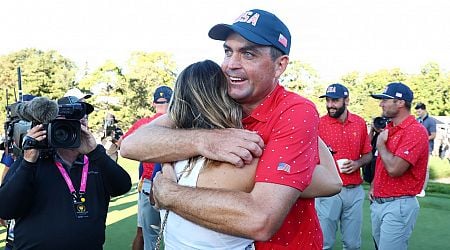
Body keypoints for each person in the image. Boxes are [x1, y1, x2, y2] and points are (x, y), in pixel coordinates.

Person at [121, 9, 342, 249]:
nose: (230, 65)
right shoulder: (216, 99)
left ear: (280, 66)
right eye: (228, 52)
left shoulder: (294, 110)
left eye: (248, 54)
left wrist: (170, 194)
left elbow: (262, 219)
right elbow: (131, 145)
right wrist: (204, 141)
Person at [0, 96, 132, 250]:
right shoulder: (34, 158)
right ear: (50, 124)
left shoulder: (96, 159)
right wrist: (28, 161)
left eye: (81, 120)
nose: (73, 126)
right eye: (65, 121)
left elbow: (122, 186)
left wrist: (95, 152)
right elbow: (5, 209)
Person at [369, 82, 428, 250]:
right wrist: (374, 185)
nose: (381, 104)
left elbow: (395, 169)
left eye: (385, 100)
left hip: (398, 204)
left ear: (400, 103)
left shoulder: (415, 131)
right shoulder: (390, 128)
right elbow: (379, 163)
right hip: (381, 201)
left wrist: (381, 145)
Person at [316, 83, 372, 250]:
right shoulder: (319, 123)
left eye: (335, 101)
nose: (330, 105)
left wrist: (357, 163)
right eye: (328, 100)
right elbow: (310, 157)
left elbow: (368, 154)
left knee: (353, 245)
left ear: (346, 101)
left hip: (354, 191)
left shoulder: (359, 123)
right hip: (328, 190)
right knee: (324, 243)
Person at [119, 86, 172, 250]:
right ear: (172, 102)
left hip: (149, 184)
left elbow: (123, 145)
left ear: (153, 103)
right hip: (175, 184)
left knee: (149, 235)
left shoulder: (144, 123)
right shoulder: (179, 121)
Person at [414, 102, 437, 197]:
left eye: (419, 111)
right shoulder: (417, 120)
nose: (418, 113)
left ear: (424, 110)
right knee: (415, 168)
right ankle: (415, 188)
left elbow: (433, 135)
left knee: (425, 169)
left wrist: (422, 138)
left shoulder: (431, 121)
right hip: (417, 147)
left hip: (427, 148)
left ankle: (422, 189)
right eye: (417, 112)